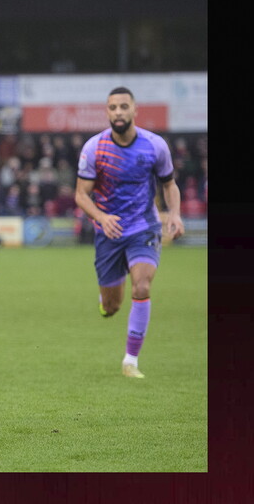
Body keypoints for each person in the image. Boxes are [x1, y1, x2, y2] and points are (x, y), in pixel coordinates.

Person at [74, 86, 185, 379]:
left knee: (143, 287)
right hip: (108, 232)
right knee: (111, 307)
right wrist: (101, 217)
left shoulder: (155, 145)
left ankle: (130, 362)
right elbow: (81, 195)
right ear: (107, 112)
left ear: (135, 110)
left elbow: (169, 184)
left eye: (124, 107)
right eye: (113, 108)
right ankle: (107, 300)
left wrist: (174, 213)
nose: (118, 112)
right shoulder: (94, 148)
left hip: (143, 227)